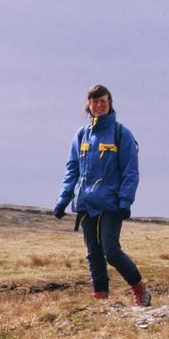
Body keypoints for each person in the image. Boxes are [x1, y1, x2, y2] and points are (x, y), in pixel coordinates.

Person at [53, 84, 151, 305]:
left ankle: (140, 288)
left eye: (103, 102)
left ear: (110, 104)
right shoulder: (81, 135)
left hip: (112, 203)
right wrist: (63, 199)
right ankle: (101, 300)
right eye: (94, 101)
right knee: (93, 254)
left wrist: (126, 200)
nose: (98, 105)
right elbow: (72, 169)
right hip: (87, 203)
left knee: (111, 251)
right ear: (88, 105)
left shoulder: (121, 134)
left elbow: (130, 171)